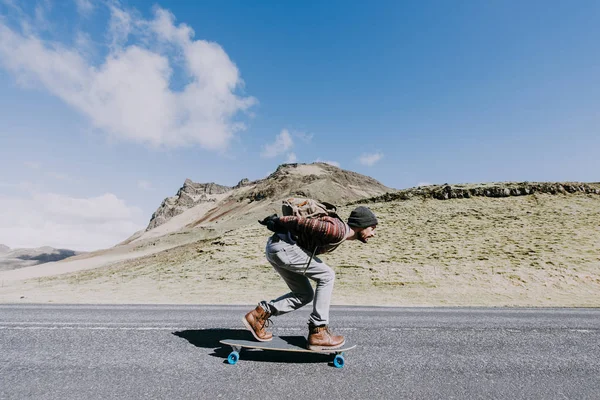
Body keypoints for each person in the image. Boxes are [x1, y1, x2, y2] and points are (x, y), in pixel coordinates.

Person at [243, 205, 378, 350]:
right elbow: (302, 223)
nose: (373, 233)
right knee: (327, 275)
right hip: (284, 249)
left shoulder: (340, 233)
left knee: (305, 295)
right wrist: (279, 221)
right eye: (372, 228)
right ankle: (318, 331)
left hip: (277, 248)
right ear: (361, 225)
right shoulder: (337, 230)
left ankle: (259, 315)